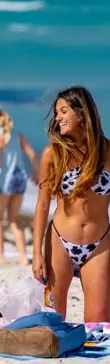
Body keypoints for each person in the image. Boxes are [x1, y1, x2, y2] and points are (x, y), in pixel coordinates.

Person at [33, 86, 110, 322]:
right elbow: (43, 204)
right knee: (53, 322)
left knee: (99, 325)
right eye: (57, 112)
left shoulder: (108, 151)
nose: (58, 118)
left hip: (100, 244)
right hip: (60, 242)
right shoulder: (53, 154)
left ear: (82, 113)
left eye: (63, 111)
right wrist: (36, 254)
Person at [0, 104, 38, 264]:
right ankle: (22, 256)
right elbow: (32, 154)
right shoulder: (16, 133)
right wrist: (36, 172)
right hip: (19, 179)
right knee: (14, 220)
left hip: (3, 180)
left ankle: (0, 254)